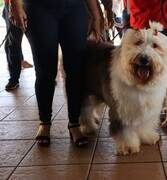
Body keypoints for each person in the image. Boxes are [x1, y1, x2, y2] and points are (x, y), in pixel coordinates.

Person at [10, 0, 104, 146]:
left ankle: (75, 123)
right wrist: (15, 5)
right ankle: (45, 122)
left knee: (76, 68)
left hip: (75, 7)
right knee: (45, 69)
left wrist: (96, 14)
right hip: (39, 8)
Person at [2, 0, 33, 91]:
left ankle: (46, 77)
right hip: (12, 4)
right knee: (13, 42)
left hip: (36, 5)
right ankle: (14, 78)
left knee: (42, 41)